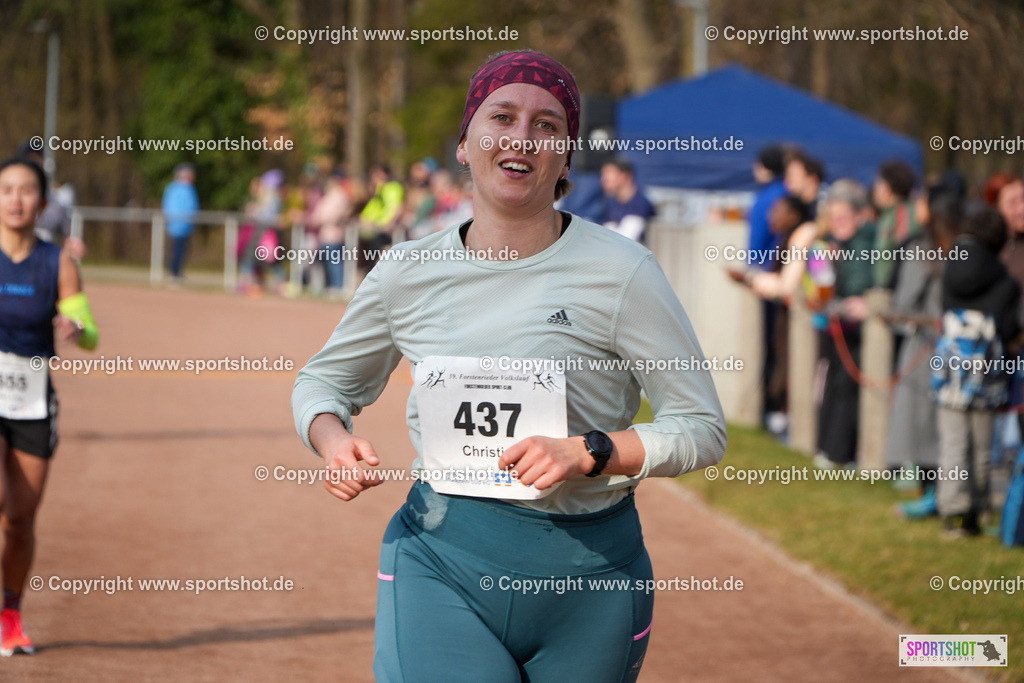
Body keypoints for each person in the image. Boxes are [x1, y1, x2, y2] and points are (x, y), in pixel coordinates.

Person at [292, 50, 726, 682]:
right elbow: (323, 383)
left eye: (547, 124)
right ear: (466, 144)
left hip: (593, 580)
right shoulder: (406, 272)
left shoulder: (624, 273)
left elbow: (701, 428)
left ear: (566, 155)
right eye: (501, 116)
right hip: (441, 560)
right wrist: (333, 440)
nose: (521, 137)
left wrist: (589, 451)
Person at [0, 157, 99, 656]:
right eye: (6, 189)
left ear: (42, 202)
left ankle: (9, 615)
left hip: (32, 401)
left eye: (25, 191)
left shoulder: (57, 261)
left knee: (20, 520)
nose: (15, 199)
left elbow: (88, 330)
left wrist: (74, 328)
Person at [932, 208, 1021, 536]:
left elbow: (941, 309)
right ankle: (976, 512)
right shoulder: (1006, 281)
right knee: (982, 446)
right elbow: (1010, 328)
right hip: (987, 369)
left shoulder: (951, 266)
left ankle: (951, 512)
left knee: (953, 443)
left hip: (951, 365)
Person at [886, 179, 960, 518]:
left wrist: (894, 318)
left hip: (927, 348)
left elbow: (904, 304)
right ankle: (952, 497)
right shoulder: (969, 246)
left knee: (923, 428)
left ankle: (932, 497)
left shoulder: (921, 248)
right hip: (965, 350)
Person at [872, 160, 924, 288]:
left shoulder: (902, 214)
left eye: (879, 183)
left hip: (893, 292)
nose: (875, 188)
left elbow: (904, 255)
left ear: (887, 188)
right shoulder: (889, 214)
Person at [747, 145, 789, 263]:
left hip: (766, 268)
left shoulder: (763, 201)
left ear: (764, 167)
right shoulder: (790, 194)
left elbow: (757, 243)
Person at [598, 157, 656, 244]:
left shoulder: (640, 204)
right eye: (603, 175)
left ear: (625, 176)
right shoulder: (611, 204)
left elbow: (627, 240)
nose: (603, 180)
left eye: (609, 173)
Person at [162, 163, 200, 283]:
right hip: (177, 224)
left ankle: (176, 271)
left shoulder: (188, 188)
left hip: (186, 225)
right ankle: (174, 271)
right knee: (176, 249)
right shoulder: (174, 188)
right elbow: (169, 206)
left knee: (182, 250)